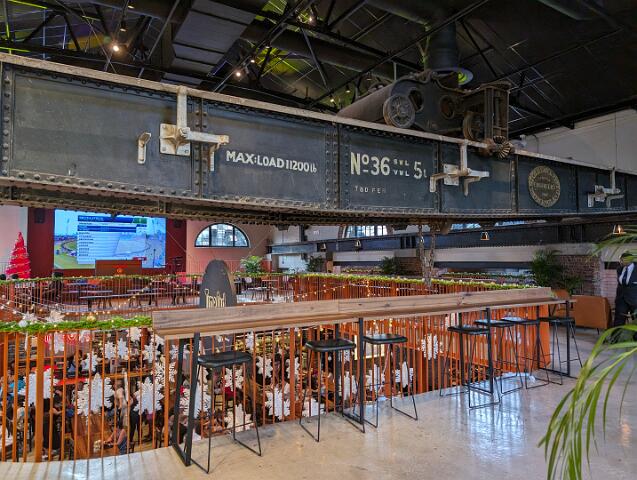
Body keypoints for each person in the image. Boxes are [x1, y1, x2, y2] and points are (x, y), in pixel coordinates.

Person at [614, 252, 637, 327]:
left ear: (629, 260)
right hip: (621, 299)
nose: (620, 261)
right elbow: (620, 284)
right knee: (618, 320)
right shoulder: (619, 269)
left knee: (635, 321)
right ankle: (616, 334)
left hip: (634, 300)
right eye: (620, 259)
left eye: (622, 260)